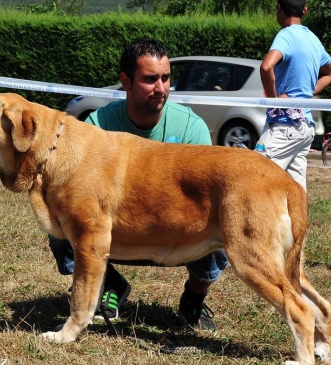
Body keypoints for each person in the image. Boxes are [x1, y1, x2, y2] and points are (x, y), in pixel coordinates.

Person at [48, 38, 228, 331]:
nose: (161, 88)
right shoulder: (98, 125)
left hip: (177, 233)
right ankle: (109, 286)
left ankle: (194, 298)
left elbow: (208, 195)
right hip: (121, 233)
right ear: (125, 81)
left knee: (220, 223)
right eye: (150, 79)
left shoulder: (191, 128)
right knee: (61, 224)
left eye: (166, 78)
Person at [258, 0, 331, 190]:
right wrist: (307, 93)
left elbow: (266, 66)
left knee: (255, 177)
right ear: (305, 11)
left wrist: (274, 100)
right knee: (296, 191)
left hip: (285, 126)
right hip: (305, 126)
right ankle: (298, 221)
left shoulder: (286, 35)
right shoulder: (313, 39)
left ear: (279, 9)